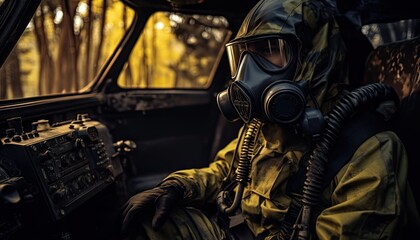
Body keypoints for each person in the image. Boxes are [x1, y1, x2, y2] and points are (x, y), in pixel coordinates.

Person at [118, 0, 420, 239]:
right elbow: (226, 169)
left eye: (268, 50)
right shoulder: (266, 127)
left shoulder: (369, 151)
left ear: (313, 56)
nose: (250, 70)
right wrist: (177, 187)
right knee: (150, 222)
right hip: (236, 230)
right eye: (244, 54)